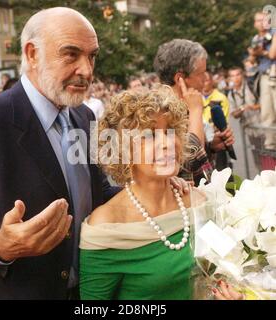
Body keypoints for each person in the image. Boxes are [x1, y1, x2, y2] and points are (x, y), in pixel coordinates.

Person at [0, 7, 119, 300]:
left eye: (92, 56)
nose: (86, 69)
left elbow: (95, 194)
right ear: (33, 54)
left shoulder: (84, 117)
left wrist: (153, 190)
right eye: (71, 54)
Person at [80, 87, 198, 299]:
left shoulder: (198, 201)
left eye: (171, 130)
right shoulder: (106, 225)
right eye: (150, 135)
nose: (167, 143)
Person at [153, 39, 235, 185]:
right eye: (201, 73)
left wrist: (210, 147)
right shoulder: (160, 112)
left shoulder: (185, 105)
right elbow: (187, 162)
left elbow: (192, 155)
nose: (205, 79)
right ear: (180, 78)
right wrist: (196, 110)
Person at [248, 11, 276, 150]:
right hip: (263, 76)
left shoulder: (274, 32)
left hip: (274, 75)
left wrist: (259, 52)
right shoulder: (255, 39)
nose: (262, 22)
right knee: (267, 113)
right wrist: (253, 54)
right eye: (259, 20)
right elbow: (252, 60)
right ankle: (270, 145)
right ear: (255, 23)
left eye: (264, 20)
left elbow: (272, 54)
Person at [228, 66, 262, 170]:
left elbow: (265, 103)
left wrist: (251, 107)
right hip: (250, 130)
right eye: (233, 76)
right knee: (257, 156)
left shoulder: (251, 86)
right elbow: (233, 113)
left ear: (242, 75)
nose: (236, 78)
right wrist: (240, 110)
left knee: (269, 154)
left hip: (263, 127)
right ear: (230, 78)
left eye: (238, 74)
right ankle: (264, 179)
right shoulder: (231, 94)